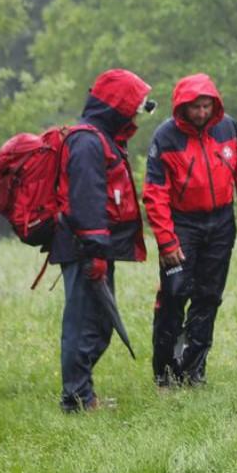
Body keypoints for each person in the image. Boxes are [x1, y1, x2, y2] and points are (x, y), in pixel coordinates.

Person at [143, 73, 237, 387]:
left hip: (221, 223)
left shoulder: (229, 128)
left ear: (215, 104)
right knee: (173, 295)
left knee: (209, 296)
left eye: (206, 106)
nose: (200, 113)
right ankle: (165, 373)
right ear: (182, 106)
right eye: (194, 107)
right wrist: (167, 241)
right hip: (182, 224)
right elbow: (155, 193)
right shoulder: (165, 137)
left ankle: (193, 371)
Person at [49, 68, 154, 413]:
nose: (137, 114)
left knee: (101, 323)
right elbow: (87, 199)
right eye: (134, 106)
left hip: (93, 249)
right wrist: (95, 251)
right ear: (117, 106)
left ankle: (82, 393)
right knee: (84, 324)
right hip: (83, 249)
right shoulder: (87, 142)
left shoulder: (101, 138)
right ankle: (76, 400)